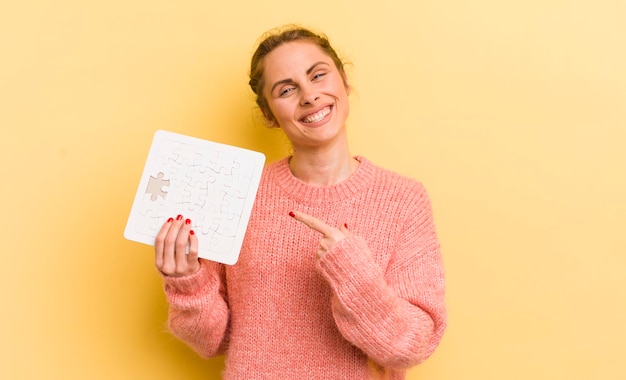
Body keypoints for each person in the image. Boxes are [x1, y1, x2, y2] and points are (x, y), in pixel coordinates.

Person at [154, 25, 446, 379]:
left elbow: (411, 346)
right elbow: (211, 341)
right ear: (268, 115)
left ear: (343, 81)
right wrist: (188, 281)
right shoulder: (239, 193)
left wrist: (353, 274)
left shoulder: (404, 199)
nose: (309, 96)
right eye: (287, 89)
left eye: (318, 75)